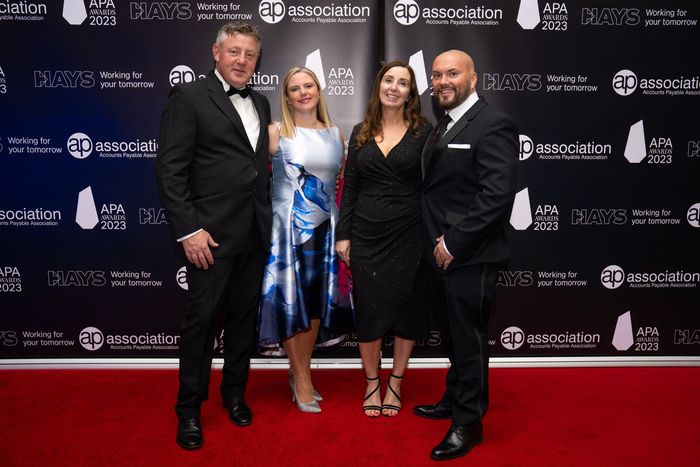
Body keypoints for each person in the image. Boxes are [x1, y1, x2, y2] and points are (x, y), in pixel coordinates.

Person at [156, 22, 271, 450]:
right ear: (216, 53)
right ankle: (188, 410)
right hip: (209, 237)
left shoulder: (260, 101)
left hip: (255, 234)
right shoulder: (188, 97)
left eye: (250, 54)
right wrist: (188, 229)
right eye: (234, 52)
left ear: (258, 61)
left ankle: (234, 394)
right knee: (202, 324)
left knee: (243, 321)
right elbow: (170, 170)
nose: (242, 60)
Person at [415, 50, 518, 461]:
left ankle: (468, 423)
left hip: (470, 255)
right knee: (454, 336)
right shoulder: (442, 125)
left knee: (469, 340)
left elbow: (496, 197)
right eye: (437, 75)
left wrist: (454, 243)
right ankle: (454, 398)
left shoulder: (494, 125)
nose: (442, 81)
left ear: (473, 79)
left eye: (452, 74)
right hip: (438, 253)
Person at [336, 61, 432, 418]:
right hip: (366, 234)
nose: (394, 87)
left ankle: (397, 382)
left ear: (411, 92)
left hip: (410, 232)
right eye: (389, 80)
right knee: (371, 311)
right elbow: (350, 189)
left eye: (403, 82)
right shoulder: (361, 131)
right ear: (379, 86)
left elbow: (433, 186)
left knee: (408, 310)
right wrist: (343, 235)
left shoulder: (425, 132)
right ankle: (372, 382)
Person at [258, 66, 352, 413]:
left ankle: (301, 372)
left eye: (308, 85)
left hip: (325, 231)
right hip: (287, 233)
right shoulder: (275, 132)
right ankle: (301, 380)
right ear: (286, 96)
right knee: (290, 303)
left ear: (318, 89)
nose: (302, 92)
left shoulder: (335, 133)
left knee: (313, 306)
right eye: (294, 88)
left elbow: (338, 186)